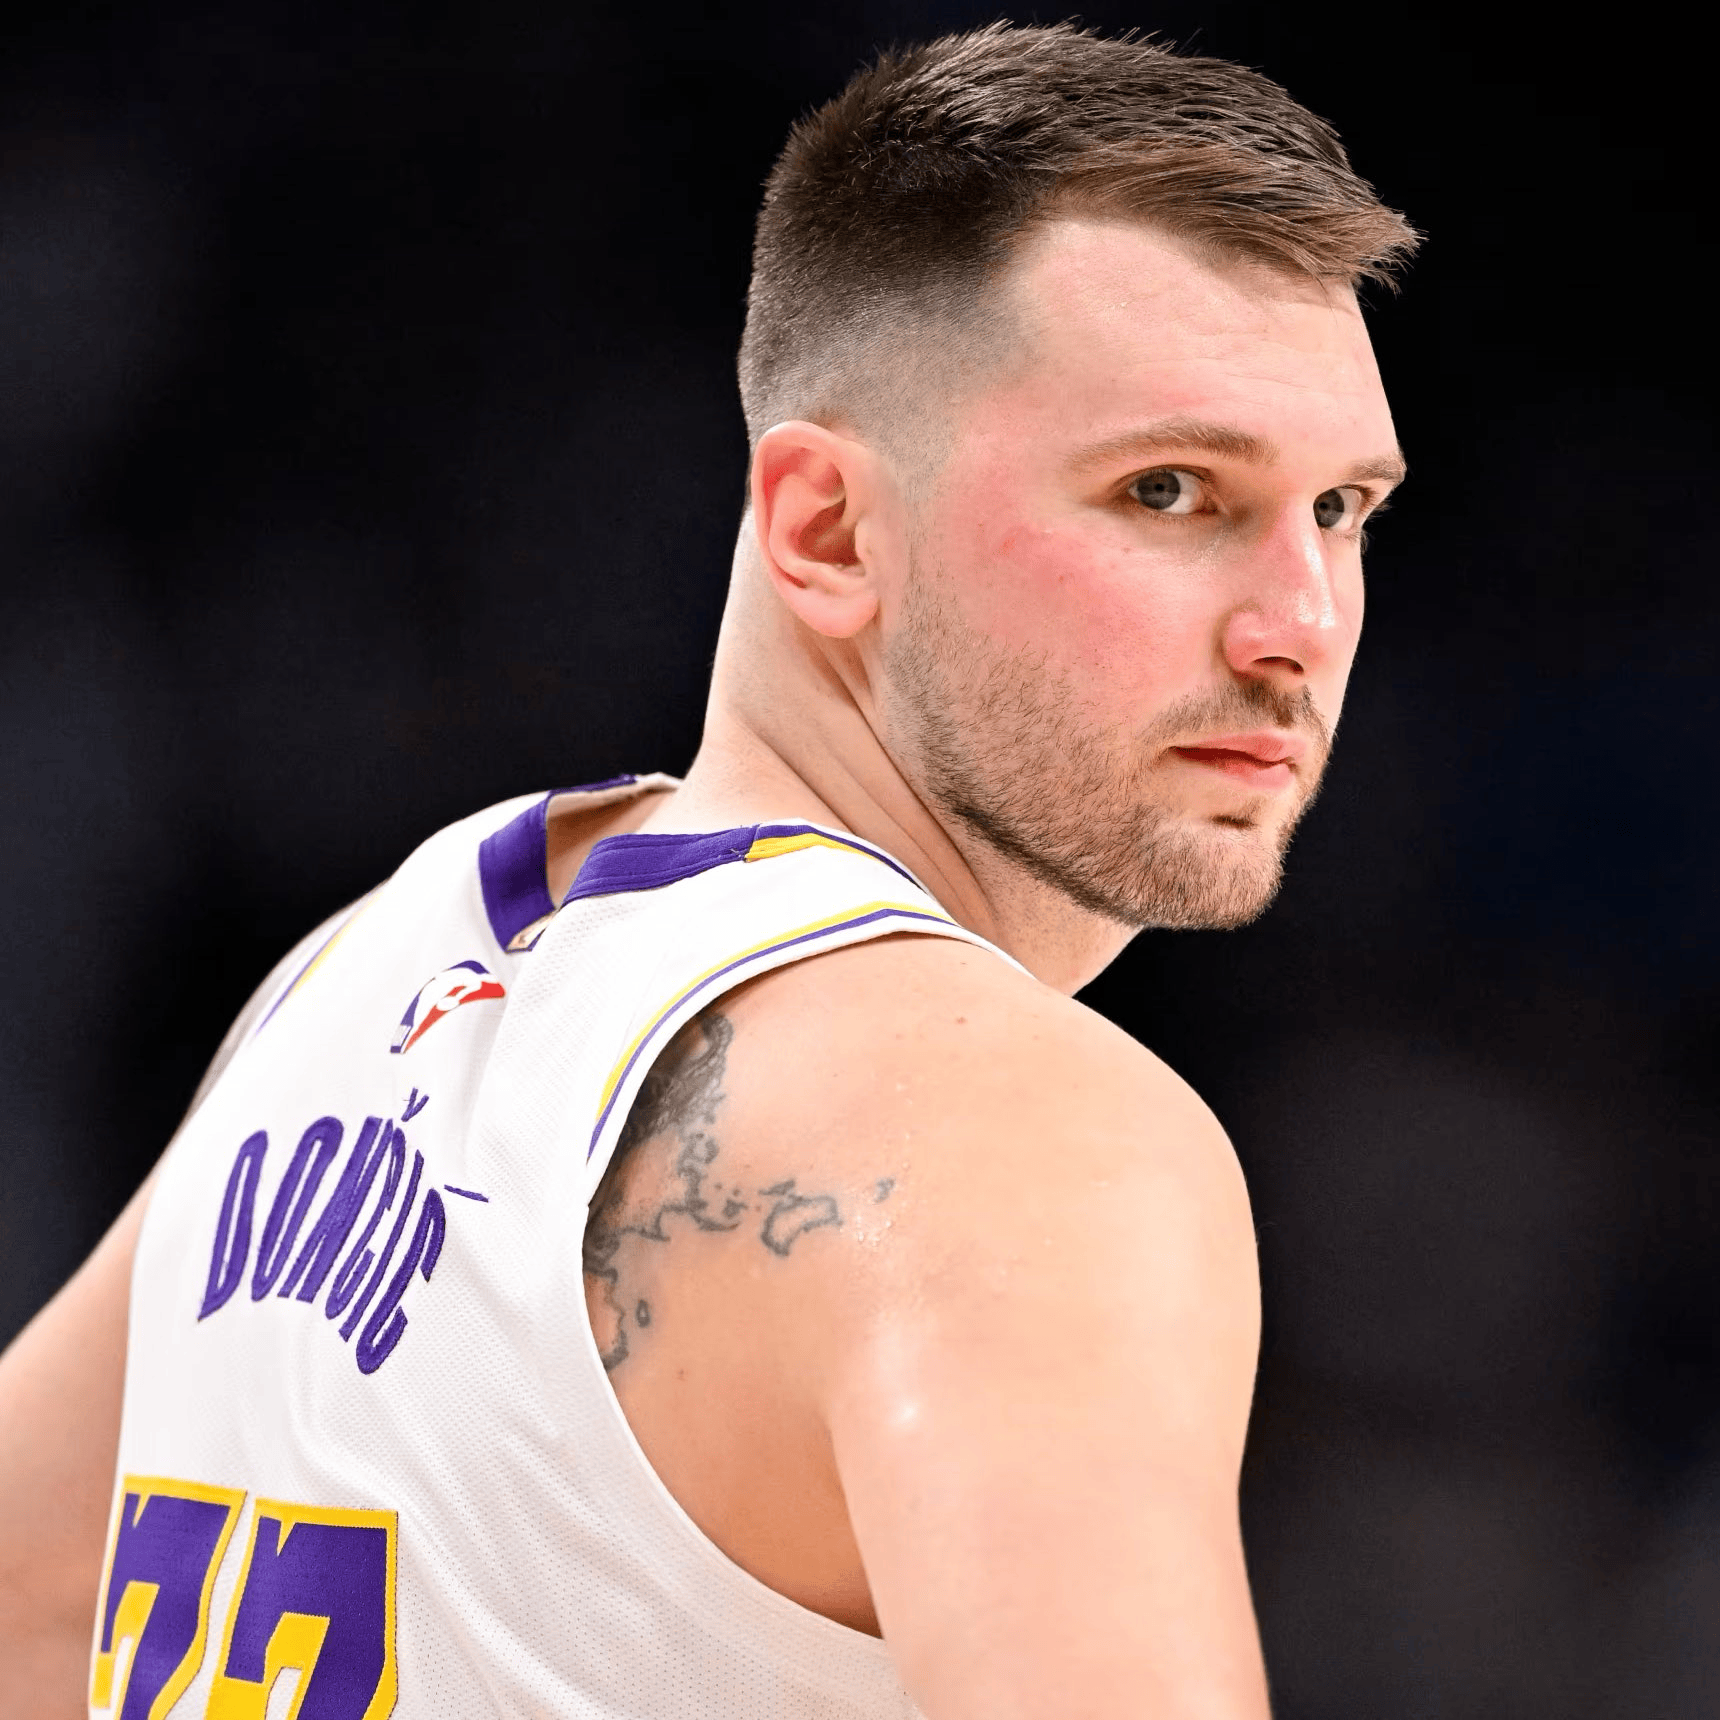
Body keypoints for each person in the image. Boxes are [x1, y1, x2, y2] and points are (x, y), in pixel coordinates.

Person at [0, 22, 1415, 1719]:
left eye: (1341, 509)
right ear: (826, 528)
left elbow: (26, 1601)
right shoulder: (1014, 1138)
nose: (1299, 625)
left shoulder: (371, 962)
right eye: (1170, 490)